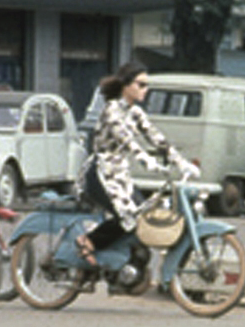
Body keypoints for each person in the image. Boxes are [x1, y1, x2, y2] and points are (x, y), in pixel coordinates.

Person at [74, 62, 196, 263]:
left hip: (120, 174)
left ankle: (128, 262)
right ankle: (87, 241)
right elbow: (127, 140)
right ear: (126, 85)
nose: (145, 90)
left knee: (144, 215)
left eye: (147, 85)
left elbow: (156, 138)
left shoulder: (136, 112)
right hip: (101, 173)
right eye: (140, 85)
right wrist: (147, 161)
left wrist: (181, 162)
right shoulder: (112, 110)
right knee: (128, 216)